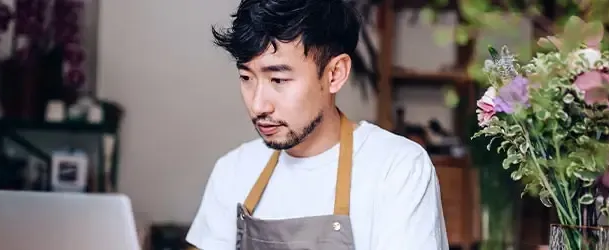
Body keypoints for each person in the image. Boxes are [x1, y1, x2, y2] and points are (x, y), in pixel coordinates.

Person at [186, 0, 448, 249]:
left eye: (278, 80)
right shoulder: (232, 171)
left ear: (335, 74)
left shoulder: (398, 169)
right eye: (246, 77)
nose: (258, 105)